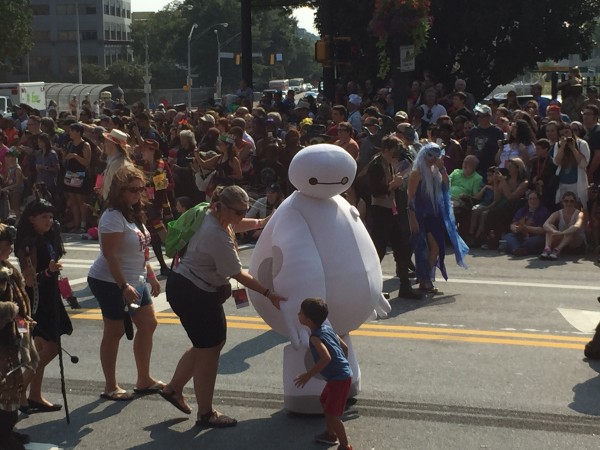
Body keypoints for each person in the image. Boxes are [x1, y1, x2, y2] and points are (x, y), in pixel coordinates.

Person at [159, 185, 284, 427]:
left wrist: (261, 222)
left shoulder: (210, 214)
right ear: (222, 207)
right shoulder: (215, 235)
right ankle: (205, 413)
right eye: (239, 211)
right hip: (194, 293)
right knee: (210, 351)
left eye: (245, 211)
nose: (241, 216)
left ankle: (173, 389)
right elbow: (238, 273)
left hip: (186, 286)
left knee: (208, 345)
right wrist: (269, 293)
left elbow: (235, 224)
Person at [87, 165, 163, 401]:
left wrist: (150, 275)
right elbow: (110, 255)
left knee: (149, 324)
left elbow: (141, 248)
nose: (138, 194)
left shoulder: (134, 213)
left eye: (141, 189)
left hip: (135, 278)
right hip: (110, 281)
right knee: (115, 331)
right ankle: (111, 386)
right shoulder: (112, 216)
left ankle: (144, 379)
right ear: (119, 191)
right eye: (133, 190)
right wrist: (123, 286)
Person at [15, 199, 72, 413]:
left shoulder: (47, 238)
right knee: (51, 347)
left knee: (40, 347)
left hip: (51, 295)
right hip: (37, 300)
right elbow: (29, 280)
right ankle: (19, 388)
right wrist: (48, 272)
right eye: (43, 217)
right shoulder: (29, 244)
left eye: (51, 216)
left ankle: (34, 396)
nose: (49, 220)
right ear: (32, 219)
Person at [407, 143, 468, 293]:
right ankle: (424, 281)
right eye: (430, 155)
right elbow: (410, 198)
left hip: (433, 216)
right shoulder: (417, 173)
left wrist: (442, 168)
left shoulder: (435, 171)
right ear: (423, 155)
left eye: (436, 156)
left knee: (436, 247)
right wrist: (412, 218)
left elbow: (446, 186)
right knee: (422, 249)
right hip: (419, 215)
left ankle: (424, 277)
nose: (433, 159)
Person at [294, 298, 353, 450]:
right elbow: (344, 348)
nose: (298, 314)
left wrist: (308, 375)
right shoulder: (327, 328)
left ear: (307, 319)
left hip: (339, 379)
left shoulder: (315, 337)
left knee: (333, 414)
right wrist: (341, 366)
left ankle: (345, 445)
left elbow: (326, 357)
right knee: (325, 400)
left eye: (300, 312)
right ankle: (330, 433)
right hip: (340, 376)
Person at [0, 223, 38, 450]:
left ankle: (8, 430)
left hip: (12, 335)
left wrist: (24, 322)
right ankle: (3, 437)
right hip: (1, 340)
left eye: (9, 245)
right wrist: (10, 311)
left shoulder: (7, 268)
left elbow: (20, 305)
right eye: (5, 245)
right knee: (4, 388)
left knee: (12, 386)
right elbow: (11, 307)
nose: (9, 249)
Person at [62, 123, 92, 233]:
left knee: (81, 200)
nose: (70, 133)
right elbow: (65, 159)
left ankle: (83, 224)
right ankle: (76, 223)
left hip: (81, 175)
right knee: (73, 200)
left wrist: (75, 156)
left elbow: (86, 162)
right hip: (71, 174)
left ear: (78, 132)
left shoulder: (85, 145)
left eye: (72, 131)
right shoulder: (70, 144)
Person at [552, 122, 590, 208]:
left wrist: (573, 148)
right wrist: (562, 147)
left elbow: (583, 164)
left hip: (577, 184)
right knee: (565, 208)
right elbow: (556, 162)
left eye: (567, 132)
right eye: (562, 134)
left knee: (578, 208)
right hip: (563, 184)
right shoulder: (558, 145)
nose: (565, 135)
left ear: (571, 132)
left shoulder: (582, 144)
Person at [502, 191, 550, 256]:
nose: (532, 201)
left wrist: (525, 228)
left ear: (539, 200)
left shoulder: (544, 211)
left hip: (534, 236)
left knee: (538, 240)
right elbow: (513, 224)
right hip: (521, 236)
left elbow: (543, 230)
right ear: (527, 200)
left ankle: (517, 248)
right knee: (507, 236)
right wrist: (515, 228)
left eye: (535, 198)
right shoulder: (522, 210)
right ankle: (518, 249)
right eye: (530, 199)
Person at [540, 191, 585, 260]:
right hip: (563, 240)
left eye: (571, 201)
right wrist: (553, 231)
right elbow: (545, 224)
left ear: (575, 202)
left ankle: (557, 250)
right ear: (562, 202)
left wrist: (562, 233)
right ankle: (547, 249)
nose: (568, 203)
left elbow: (577, 226)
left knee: (571, 229)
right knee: (550, 227)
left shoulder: (579, 213)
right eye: (566, 201)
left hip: (576, 243)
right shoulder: (558, 213)